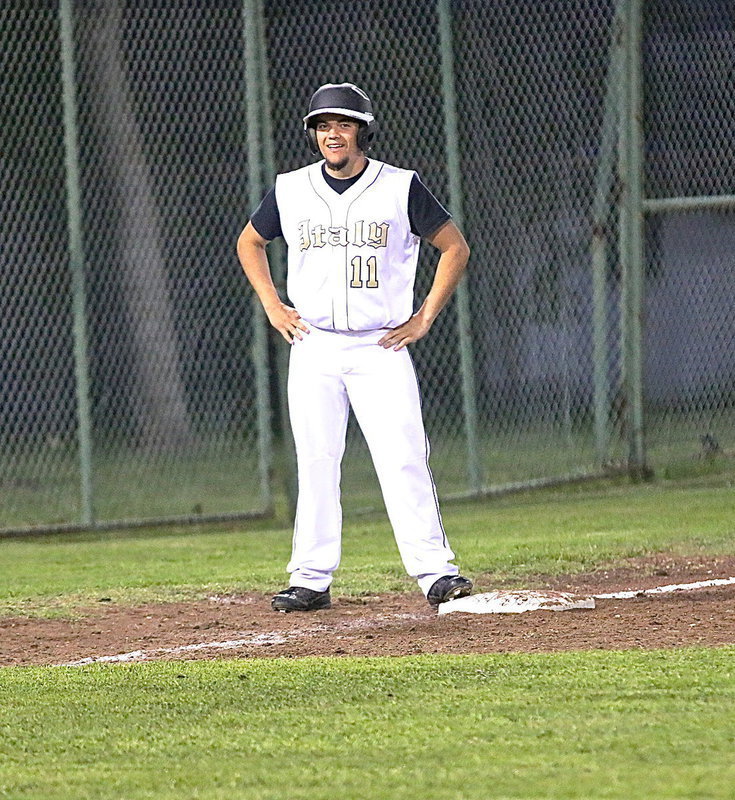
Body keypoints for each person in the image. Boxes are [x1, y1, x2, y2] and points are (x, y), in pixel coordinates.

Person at [237, 82, 472, 612]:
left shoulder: (399, 186)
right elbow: (249, 241)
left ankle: (436, 573)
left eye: (343, 124)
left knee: (403, 457)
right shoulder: (292, 189)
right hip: (314, 344)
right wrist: (273, 305)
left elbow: (454, 247)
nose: (332, 134)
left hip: (379, 346)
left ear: (362, 131)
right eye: (322, 126)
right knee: (317, 459)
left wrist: (424, 317)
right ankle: (310, 579)